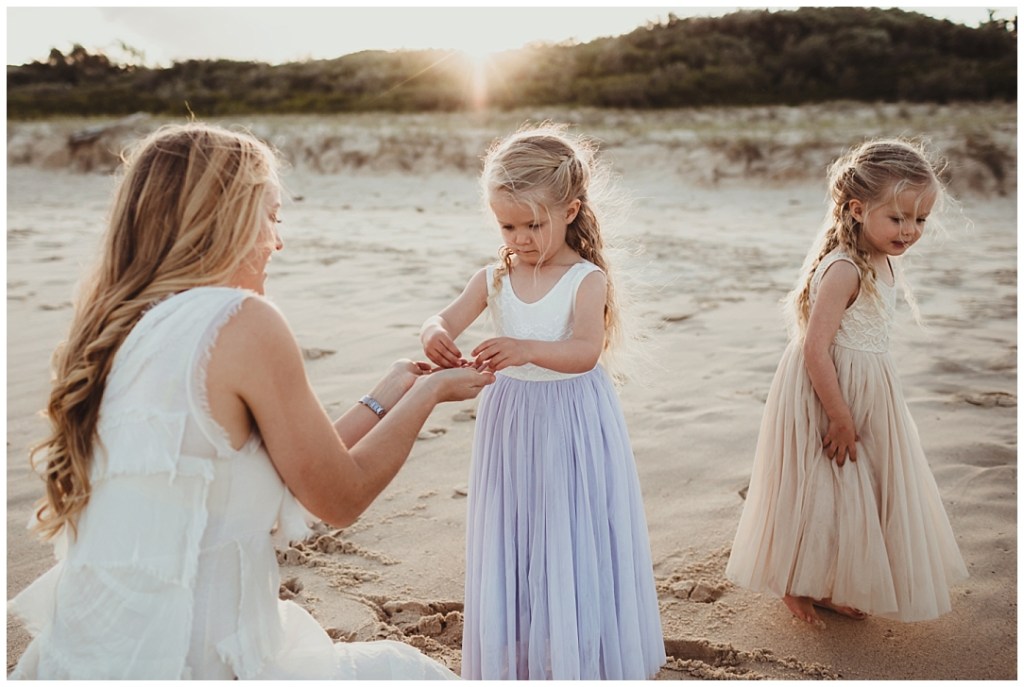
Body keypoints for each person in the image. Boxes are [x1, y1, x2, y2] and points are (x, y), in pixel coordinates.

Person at [8, 122, 495, 679]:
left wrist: (388, 394)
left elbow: (275, 468)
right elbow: (339, 497)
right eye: (272, 217)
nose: (277, 241)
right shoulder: (240, 322)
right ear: (227, 219)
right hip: (199, 658)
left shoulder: (113, 332)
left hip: (97, 654)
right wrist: (431, 392)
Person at [420, 123, 666, 679]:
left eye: (533, 224)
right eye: (507, 226)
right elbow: (444, 317)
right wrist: (433, 332)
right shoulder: (493, 277)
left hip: (570, 418)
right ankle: (525, 646)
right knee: (518, 527)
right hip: (511, 419)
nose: (521, 239)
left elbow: (585, 351)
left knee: (568, 525)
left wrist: (525, 348)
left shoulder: (585, 279)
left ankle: (580, 646)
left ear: (570, 210)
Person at [725, 138, 969, 627]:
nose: (910, 231)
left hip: (867, 387)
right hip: (828, 389)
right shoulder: (843, 268)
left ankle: (828, 582)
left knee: (855, 489)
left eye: (920, 219)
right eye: (897, 218)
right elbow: (815, 349)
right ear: (858, 210)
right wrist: (839, 415)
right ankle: (796, 583)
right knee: (822, 486)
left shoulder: (882, 258)